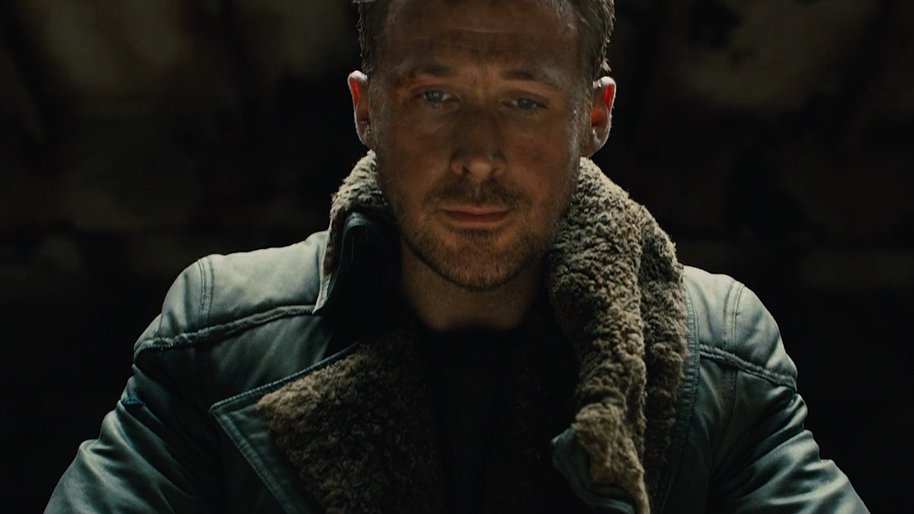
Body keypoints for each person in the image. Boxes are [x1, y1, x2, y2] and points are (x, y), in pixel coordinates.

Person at [46, 0, 869, 512]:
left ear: (593, 117)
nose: (478, 156)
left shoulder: (716, 358)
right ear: (368, 110)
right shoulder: (217, 339)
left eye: (524, 101)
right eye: (435, 96)